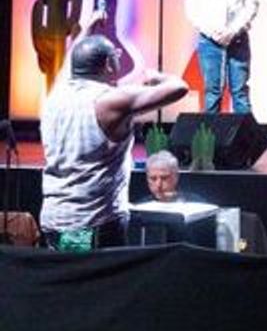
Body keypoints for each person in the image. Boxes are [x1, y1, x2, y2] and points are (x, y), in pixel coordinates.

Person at [41, 22, 188, 250]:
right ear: (109, 64)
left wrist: (88, 26)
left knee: (67, 279)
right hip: (93, 226)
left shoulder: (55, 95)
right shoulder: (111, 101)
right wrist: (156, 76)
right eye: (115, 54)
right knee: (94, 281)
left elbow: (71, 58)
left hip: (53, 222)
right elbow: (179, 87)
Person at [185, 0, 259, 113]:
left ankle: (245, 138)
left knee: (240, 91)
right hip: (209, 40)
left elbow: (251, 6)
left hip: (238, 38)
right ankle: (211, 137)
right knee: (213, 91)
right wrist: (212, 32)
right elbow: (192, 9)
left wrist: (232, 31)